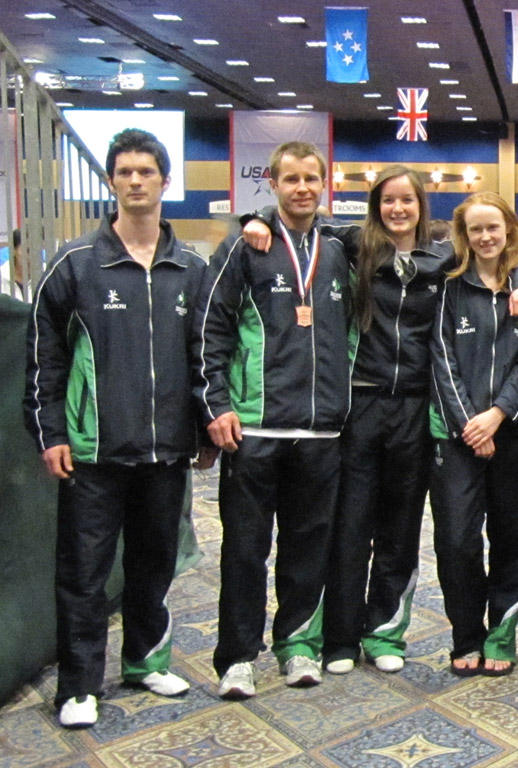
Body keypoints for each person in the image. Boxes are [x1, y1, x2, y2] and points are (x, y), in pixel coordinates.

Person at [241, 164, 518, 675]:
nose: (398, 209)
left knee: (400, 528)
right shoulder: (352, 244)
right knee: (351, 526)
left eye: (408, 201)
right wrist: (259, 216)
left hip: (417, 409)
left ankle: (384, 633)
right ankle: (340, 639)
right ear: (377, 206)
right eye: (388, 201)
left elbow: (504, 253)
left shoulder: (444, 256)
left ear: (422, 207)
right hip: (361, 405)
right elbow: (299, 217)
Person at [24, 128, 211, 728]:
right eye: (125, 172)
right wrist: (50, 432)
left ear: (164, 181)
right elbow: (44, 359)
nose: (136, 181)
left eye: (146, 172)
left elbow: (209, 355)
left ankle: (145, 661)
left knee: (155, 565)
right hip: (93, 453)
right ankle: (79, 686)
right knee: (83, 573)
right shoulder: (75, 266)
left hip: (166, 451)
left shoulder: (192, 269)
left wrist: (205, 430)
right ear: (111, 182)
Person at [194, 140, 354, 698]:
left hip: (321, 429)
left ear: (325, 184)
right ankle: (237, 656)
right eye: (292, 180)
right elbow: (210, 329)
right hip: (255, 428)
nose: (303, 188)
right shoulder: (245, 247)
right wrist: (216, 404)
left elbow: (406, 241)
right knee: (243, 548)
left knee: (308, 547)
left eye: (313, 178)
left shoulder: (339, 249)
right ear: (273, 184)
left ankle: (297, 646)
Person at [430, 192, 518, 676]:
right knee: (456, 540)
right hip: (457, 437)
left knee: (513, 537)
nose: (485, 237)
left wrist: (497, 415)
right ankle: (466, 636)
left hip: (513, 435)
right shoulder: (447, 287)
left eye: (492, 228)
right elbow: (441, 357)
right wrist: (470, 424)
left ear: (508, 230)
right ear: (463, 234)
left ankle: (500, 634)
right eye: (475, 229)